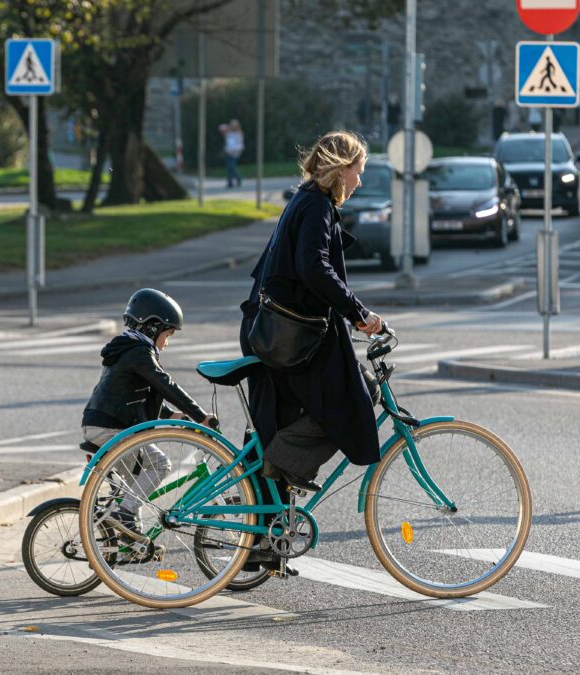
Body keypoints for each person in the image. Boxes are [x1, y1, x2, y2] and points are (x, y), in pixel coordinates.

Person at [239, 130, 384, 496]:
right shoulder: (316, 204)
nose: (359, 180)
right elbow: (314, 267)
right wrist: (357, 312)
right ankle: (282, 461)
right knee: (356, 395)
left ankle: (266, 532)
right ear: (340, 169)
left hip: (278, 329)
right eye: (357, 170)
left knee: (286, 415)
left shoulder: (306, 200)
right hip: (284, 335)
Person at [81, 288, 217, 532]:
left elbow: (135, 394)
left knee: (136, 483)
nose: (167, 342)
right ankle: (124, 515)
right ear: (152, 327)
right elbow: (166, 385)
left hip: (100, 424)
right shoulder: (139, 353)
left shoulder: (126, 349)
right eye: (168, 334)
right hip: (111, 427)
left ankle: (127, 535)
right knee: (158, 465)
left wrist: (172, 416)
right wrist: (200, 416)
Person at [218, 119, 244, 188]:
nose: (232, 127)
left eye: (234, 126)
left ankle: (239, 178)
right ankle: (230, 183)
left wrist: (235, 150)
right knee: (229, 168)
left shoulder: (238, 134)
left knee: (232, 167)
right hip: (228, 152)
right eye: (231, 126)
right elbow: (221, 127)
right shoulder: (228, 133)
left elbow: (240, 145)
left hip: (235, 153)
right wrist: (228, 127)